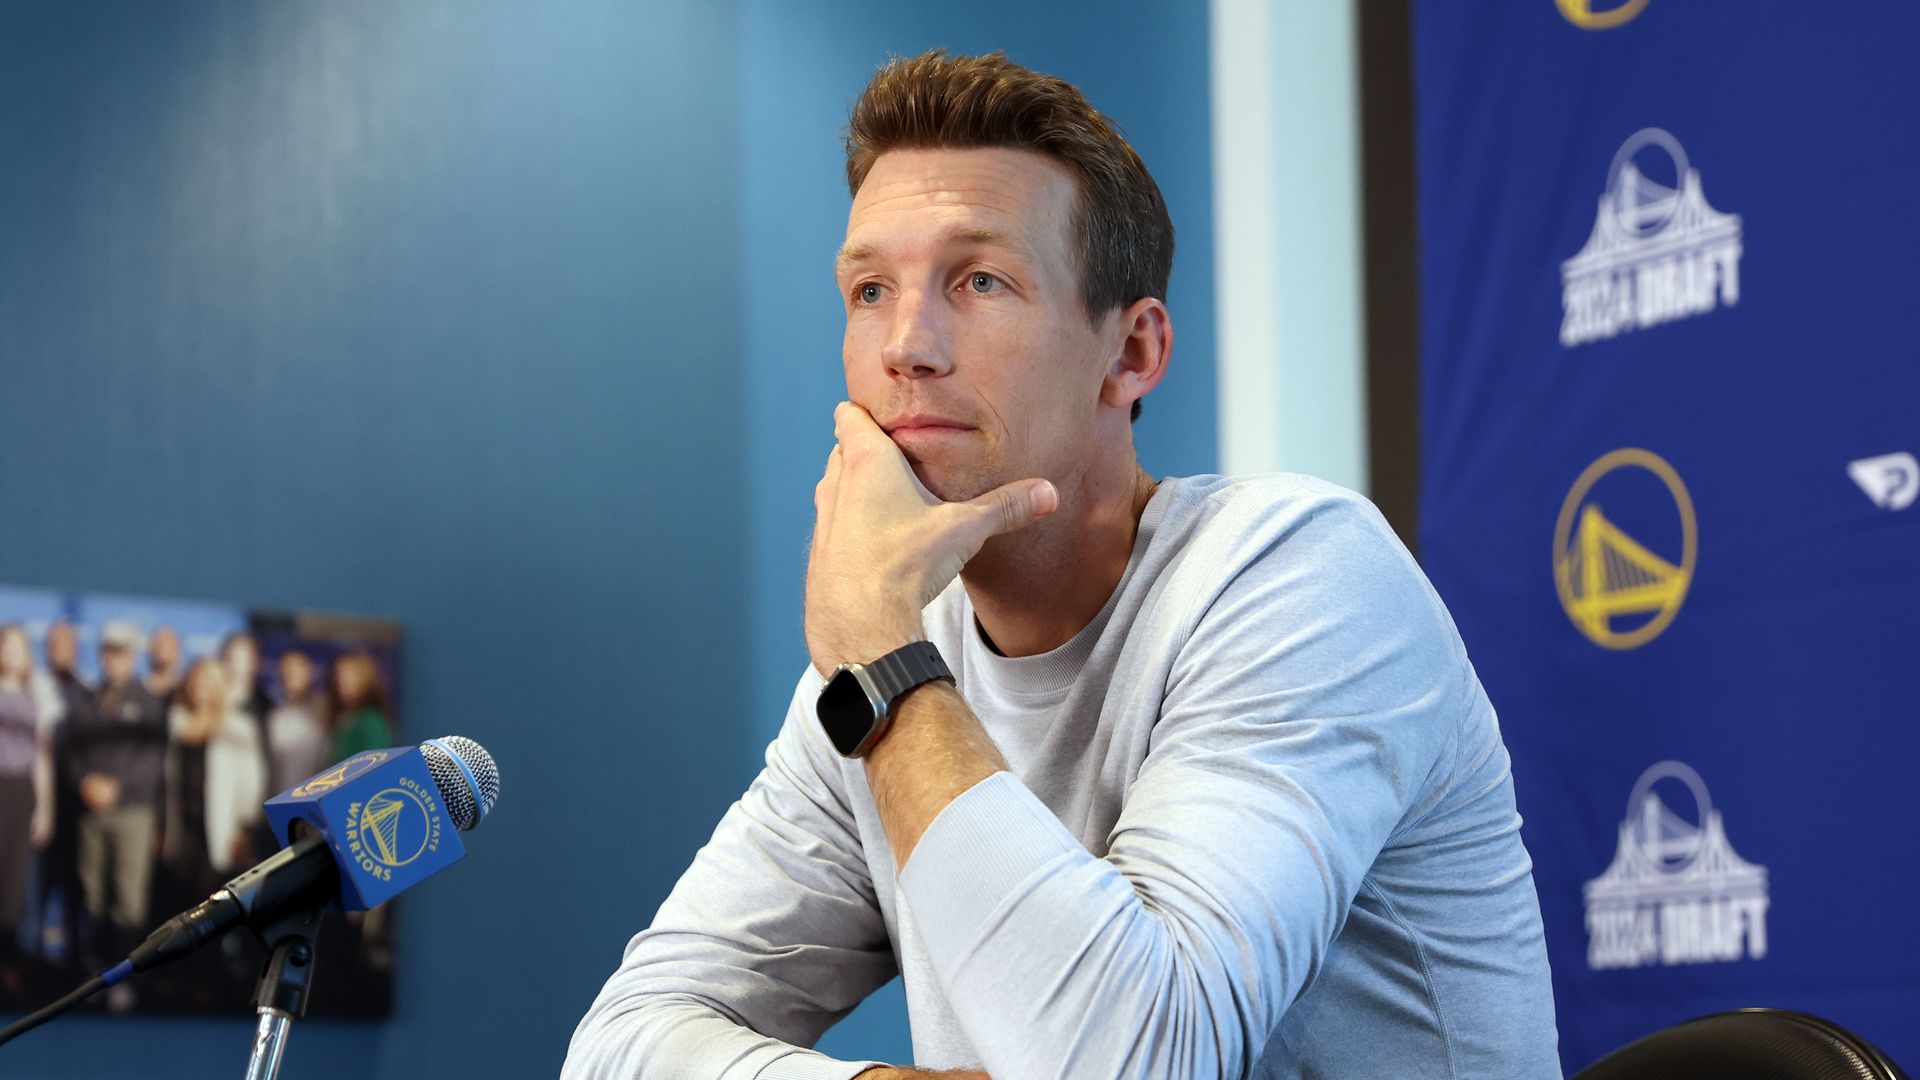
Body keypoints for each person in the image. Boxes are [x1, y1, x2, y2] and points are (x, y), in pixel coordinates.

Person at [567, 51, 1558, 1079]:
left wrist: (883, 656)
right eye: (869, 291)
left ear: (1132, 355)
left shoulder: (1304, 577)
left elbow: (1135, 1061)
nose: (908, 346)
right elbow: (620, 1043)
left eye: (979, 281)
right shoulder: (883, 662)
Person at [65, 621, 166, 970]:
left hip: (133, 811)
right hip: (91, 811)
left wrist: (117, 786)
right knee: (89, 892)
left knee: (128, 898)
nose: (113, 659)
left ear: (133, 656)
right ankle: (91, 972)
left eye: (120, 652)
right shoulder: (86, 699)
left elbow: (153, 759)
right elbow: (71, 750)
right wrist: (85, 782)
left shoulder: (150, 703)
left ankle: (128, 979)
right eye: (108, 651)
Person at [0, 624, 43, 984]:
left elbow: (40, 755)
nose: (12, 652)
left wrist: (44, 807)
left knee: (15, 883)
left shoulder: (33, 695)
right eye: (7, 646)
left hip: (22, 793)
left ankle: (10, 962)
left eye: (19, 647)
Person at [263, 647, 329, 794]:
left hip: (320, 798)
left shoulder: (324, 710)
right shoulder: (274, 718)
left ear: (308, 672)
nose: (290, 676)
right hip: (285, 798)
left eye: (295, 670)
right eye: (285, 672)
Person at [326, 652, 393, 761]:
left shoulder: (371, 722)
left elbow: (375, 763)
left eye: (349, 679)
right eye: (339, 679)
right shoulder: (343, 718)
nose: (343, 684)